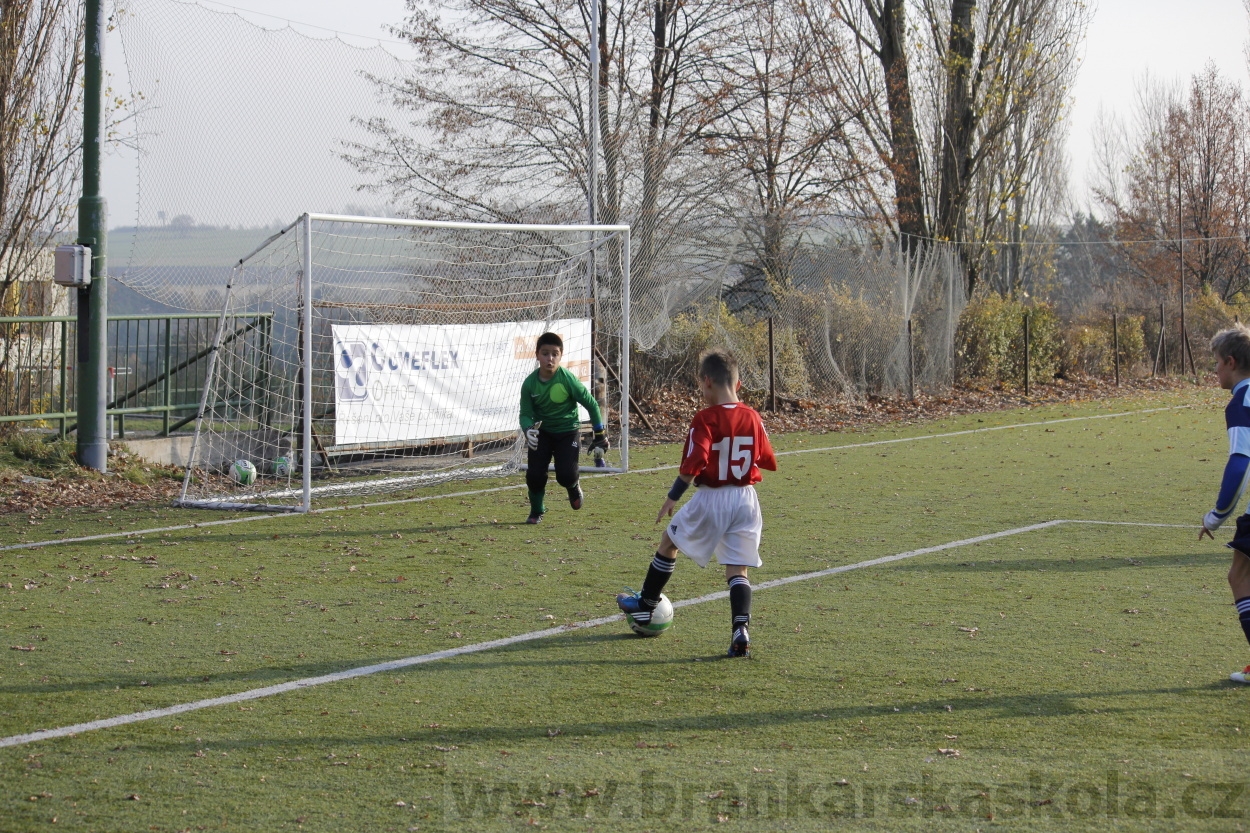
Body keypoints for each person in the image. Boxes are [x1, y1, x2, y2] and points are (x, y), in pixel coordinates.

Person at [617, 348, 776, 657]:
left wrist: (672, 497)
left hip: (713, 497)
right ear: (739, 384)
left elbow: (695, 462)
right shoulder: (753, 416)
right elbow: (767, 459)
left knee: (669, 542)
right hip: (746, 499)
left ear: (707, 382)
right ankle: (740, 630)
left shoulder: (705, 418)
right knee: (737, 571)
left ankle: (646, 605)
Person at [1200, 323, 1250, 683]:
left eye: (1216, 362)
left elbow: (1239, 462)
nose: (1214, 370)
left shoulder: (1242, 402)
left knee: (1240, 575)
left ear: (1231, 362)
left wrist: (1216, 516)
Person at [519, 331, 608, 524]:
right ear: (537, 355)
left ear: (560, 356)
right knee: (534, 475)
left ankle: (573, 485)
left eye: (554, 354)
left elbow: (592, 404)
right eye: (545, 353)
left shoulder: (567, 379)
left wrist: (599, 434)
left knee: (565, 476)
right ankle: (537, 511)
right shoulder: (529, 384)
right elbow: (525, 413)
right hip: (541, 432)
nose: (549, 358)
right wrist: (528, 429)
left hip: (567, 432)